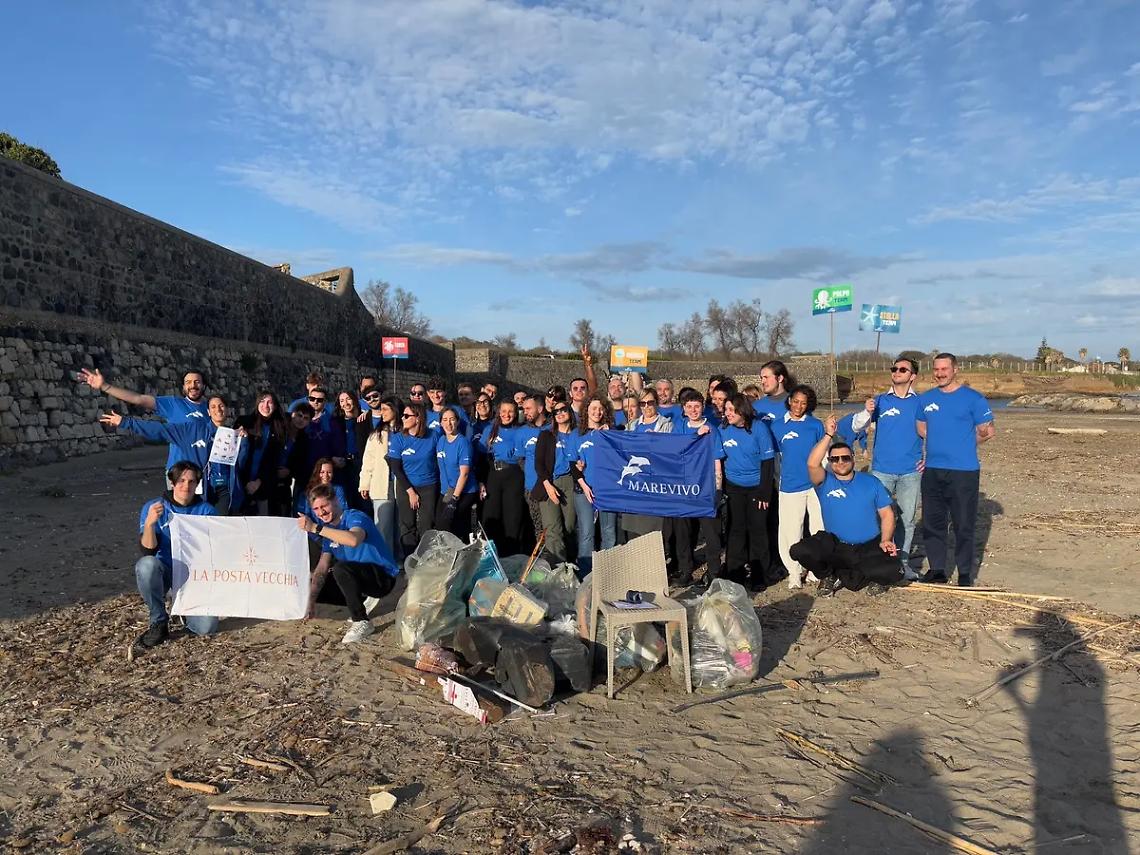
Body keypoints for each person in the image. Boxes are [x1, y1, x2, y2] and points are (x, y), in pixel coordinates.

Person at [789, 416, 904, 595]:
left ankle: (868, 576)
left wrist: (886, 539)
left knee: (896, 570)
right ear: (830, 461)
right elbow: (812, 463)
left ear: (853, 458)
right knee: (800, 550)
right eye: (835, 459)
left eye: (845, 458)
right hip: (836, 545)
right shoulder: (824, 482)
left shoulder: (871, 482)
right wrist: (828, 434)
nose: (840, 462)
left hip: (868, 545)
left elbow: (887, 514)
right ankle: (827, 575)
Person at [916, 353, 996, 587]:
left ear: (955, 369)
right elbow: (921, 427)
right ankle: (938, 569)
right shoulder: (926, 399)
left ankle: (964, 573)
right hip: (932, 470)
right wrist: (941, 440)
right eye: (936, 369)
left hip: (963, 471)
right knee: (933, 522)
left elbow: (987, 431)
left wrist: (965, 442)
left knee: (963, 524)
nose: (940, 373)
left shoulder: (973, 399)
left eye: (945, 369)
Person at [102, 394, 247, 515]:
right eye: (213, 407)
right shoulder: (192, 430)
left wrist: (244, 442)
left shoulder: (235, 435)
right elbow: (160, 430)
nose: (218, 410)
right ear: (207, 412)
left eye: (221, 406)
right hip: (198, 489)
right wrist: (126, 422)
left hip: (224, 491)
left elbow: (242, 463)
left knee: (219, 528)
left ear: (227, 409)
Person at [850, 357, 923, 580]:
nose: (897, 372)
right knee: (876, 517)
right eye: (894, 369)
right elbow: (857, 426)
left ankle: (901, 564)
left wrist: (929, 458)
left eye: (903, 369)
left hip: (911, 471)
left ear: (913, 376)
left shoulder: (921, 402)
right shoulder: (880, 400)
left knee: (907, 520)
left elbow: (933, 431)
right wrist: (866, 411)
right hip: (882, 470)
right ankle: (874, 561)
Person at [299, 483, 400, 644]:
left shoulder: (354, 516)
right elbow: (322, 568)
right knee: (313, 578)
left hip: (382, 578)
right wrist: (310, 602)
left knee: (340, 569)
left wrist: (315, 528)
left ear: (336, 502)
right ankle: (355, 603)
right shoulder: (328, 531)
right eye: (316, 509)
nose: (321, 512)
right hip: (358, 578)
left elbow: (353, 540)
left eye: (324, 506)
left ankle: (361, 621)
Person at [134, 461, 219, 648]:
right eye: (181, 481)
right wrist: (149, 523)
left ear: (198, 484)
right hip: (165, 571)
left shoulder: (208, 511)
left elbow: (217, 549)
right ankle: (158, 621)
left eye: (191, 481)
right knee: (146, 565)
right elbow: (148, 550)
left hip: (195, 577)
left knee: (207, 627)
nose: (186, 486)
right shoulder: (154, 507)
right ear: (172, 483)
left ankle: (184, 609)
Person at [78, 366, 208, 474]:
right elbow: (138, 399)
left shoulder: (213, 408)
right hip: (180, 472)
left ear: (203, 385)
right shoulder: (173, 404)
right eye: (188, 382)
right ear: (183, 387)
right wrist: (104, 386)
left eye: (197, 382)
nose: (193, 385)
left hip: (207, 472)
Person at [719, 393, 774, 589]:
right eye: (726, 410)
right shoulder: (723, 429)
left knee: (757, 530)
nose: (727, 413)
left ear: (743, 411)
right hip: (734, 486)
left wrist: (764, 492)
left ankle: (759, 574)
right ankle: (735, 573)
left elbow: (768, 462)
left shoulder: (759, 428)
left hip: (757, 486)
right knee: (736, 530)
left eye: (732, 410)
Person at [774, 385, 826, 589]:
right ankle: (793, 572)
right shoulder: (777, 426)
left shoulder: (815, 425)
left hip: (815, 485)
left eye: (803, 403)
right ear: (789, 401)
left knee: (818, 528)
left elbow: (824, 455)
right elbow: (776, 459)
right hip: (790, 485)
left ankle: (815, 569)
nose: (798, 406)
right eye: (795, 401)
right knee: (790, 530)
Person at [671, 389, 724, 586]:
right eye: (689, 407)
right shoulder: (678, 427)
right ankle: (685, 571)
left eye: (697, 406)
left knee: (710, 533)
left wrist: (718, 489)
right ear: (684, 409)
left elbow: (717, 461)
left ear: (703, 407)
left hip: (705, 486)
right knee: (683, 533)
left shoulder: (712, 430)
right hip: (683, 488)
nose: (693, 410)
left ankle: (713, 573)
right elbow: (674, 451)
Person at [568, 394, 618, 575]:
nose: (597, 412)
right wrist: (584, 485)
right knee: (587, 533)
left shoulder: (611, 433)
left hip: (608, 491)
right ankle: (585, 575)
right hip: (584, 490)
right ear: (586, 410)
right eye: (593, 408)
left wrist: (608, 434)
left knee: (609, 532)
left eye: (600, 408)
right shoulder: (577, 435)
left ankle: (607, 574)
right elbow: (573, 464)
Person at [387, 401, 440, 556]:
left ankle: (427, 560)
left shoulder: (433, 436)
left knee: (427, 524)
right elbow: (396, 467)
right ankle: (410, 560)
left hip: (428, 485)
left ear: (417, 418)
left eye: (406, 415)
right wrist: (410, 491)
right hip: (406, 485)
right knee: (407, 524)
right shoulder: (398, 439)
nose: (402, 418)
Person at [532, 400, 577, 561]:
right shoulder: (546, 435)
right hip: (549, 482)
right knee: (553, 529)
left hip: (571, 482)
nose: (559, 413)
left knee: (570, 527)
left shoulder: (578, 434)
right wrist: (547, 485)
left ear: (570, 412)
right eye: (555, 412)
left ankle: (571, 564)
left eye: (563, 410)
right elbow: (538, 462)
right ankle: (558, 568)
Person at [480, 399, 527, 556]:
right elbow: (481, 456)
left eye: (511, 411)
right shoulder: (490, 429)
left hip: (513, 475)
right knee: (492, 517)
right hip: (493, 475)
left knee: (512, 518)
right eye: (504, 411)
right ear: (498, 412)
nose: (507, 415)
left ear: (516, 413)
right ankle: (491, 557)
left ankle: (511, 556)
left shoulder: (520, 431)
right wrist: (481, 480)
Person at [358, 394, 400, 557]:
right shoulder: (376, 434)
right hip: (381, 483)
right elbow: (368, 460)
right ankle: (384, 560)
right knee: (383, 525)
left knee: (400, 526)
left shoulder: (404, 431)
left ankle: (400, 559)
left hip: (401, 484)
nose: (381, 413)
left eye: (385, 409)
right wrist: (364, 483)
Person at [235, 390, 287, 515]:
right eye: (262, 401)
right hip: (240, 482)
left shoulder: (279, 428)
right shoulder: (244, 422)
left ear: (275, 406)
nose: (266, 406)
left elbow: (273, 461)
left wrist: (258, 482)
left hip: (263, 484)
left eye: (270, 402)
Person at [435, 408, 479, 540]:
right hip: (447, 490)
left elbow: (464, 473)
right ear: (441, 423)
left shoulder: (463, 443)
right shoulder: (441, 441)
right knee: (440, 523)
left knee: (451, 522)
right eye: (445, 420)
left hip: (464, 491)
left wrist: (454, 500)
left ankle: (463, 554)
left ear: (458, 422)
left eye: (452, 419)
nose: (449, 424)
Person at [518, 394, 550, 548]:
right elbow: (521, 459)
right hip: (532, 487)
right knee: (538, 526)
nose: (525, 412)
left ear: (540, 408)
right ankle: (542, 558)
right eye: (524, 409)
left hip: (553, 484)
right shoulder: (522, 432)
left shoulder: (552, 428)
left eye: (528, 408)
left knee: (555, 526)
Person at [303, 387, 346, 479]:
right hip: (304, 470)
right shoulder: (301, 420)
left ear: (325, 401)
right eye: (312, 399)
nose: (315, 402)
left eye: (320, 400)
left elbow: (338, 446)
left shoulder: (333, 422)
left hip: (325, 472)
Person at [751, 360, 796, 425]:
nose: (762, 381)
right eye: (761, 378)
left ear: (780, 378)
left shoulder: (796, 405)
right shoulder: (756, 407)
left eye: (766, 377)